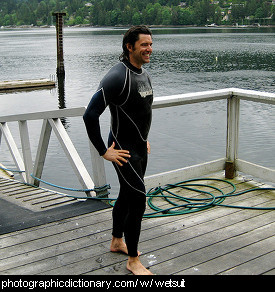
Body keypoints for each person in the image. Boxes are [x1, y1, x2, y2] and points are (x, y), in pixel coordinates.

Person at [83, 25, 154, 275]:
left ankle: (116, 241)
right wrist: (104, 151)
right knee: (138, 199)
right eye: (144, 45)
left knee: (127, 193)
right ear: (129, 47)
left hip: (139, 147)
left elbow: (139, 111)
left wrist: (143, 138)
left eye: (151, 44)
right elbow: (90, 115)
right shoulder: (116, 77)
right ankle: (133, 260)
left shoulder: (142, 73)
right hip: (122, 150)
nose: (149, 49)